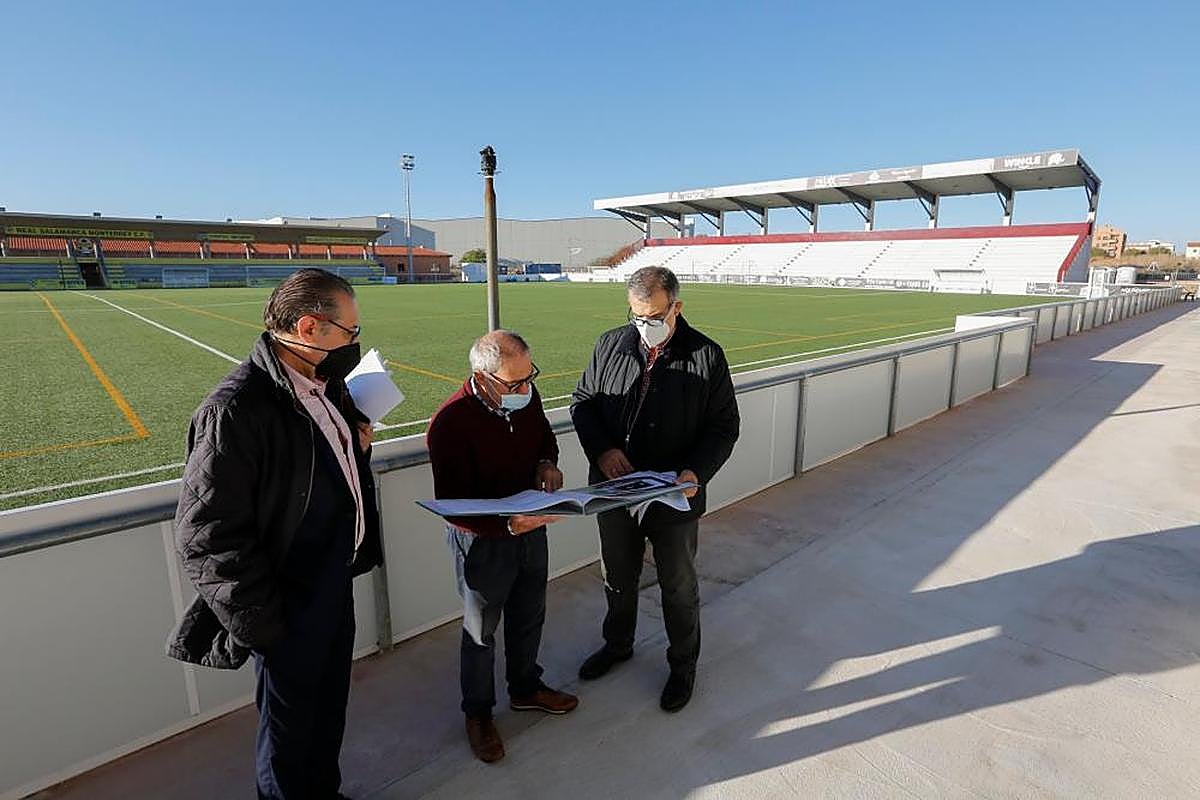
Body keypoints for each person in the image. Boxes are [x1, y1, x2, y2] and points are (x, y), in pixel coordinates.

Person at [167, 268, 382, 800]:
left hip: (332, 582)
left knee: (327, 711)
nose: (355, 343)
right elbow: (206, 534)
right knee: (288, 734)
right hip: (285, 605)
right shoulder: (236, 409)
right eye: (350, 332)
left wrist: (356, 442)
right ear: (310, 328)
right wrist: (261, 622)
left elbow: (313, 473)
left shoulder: (328, 386)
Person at [570, 266, 740, 712]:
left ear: (676, 307)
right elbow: (583, 401)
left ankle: (683, 666)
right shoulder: (610, 344)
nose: (643, 326)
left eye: (653, 317)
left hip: (674, 495)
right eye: (636, 317)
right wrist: (604, 451)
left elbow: (725, 427)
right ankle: (618, 644)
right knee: (617, 576)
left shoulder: (707, 355)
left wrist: (695, 473)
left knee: (678, 585)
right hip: (616, 490)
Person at [427, 330, 579, 763]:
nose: (525, 390)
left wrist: (547, 462)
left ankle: (526, 688)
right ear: (483, 377)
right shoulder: (450, 422)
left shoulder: (525, 397)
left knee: (530, 615)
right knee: (481, 632)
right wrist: (508, 525)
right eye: (514, 384)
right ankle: (478, 714)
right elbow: (453, 506)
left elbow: (543, 437)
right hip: (482, 544)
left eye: (529, 377)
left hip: (531, 530)